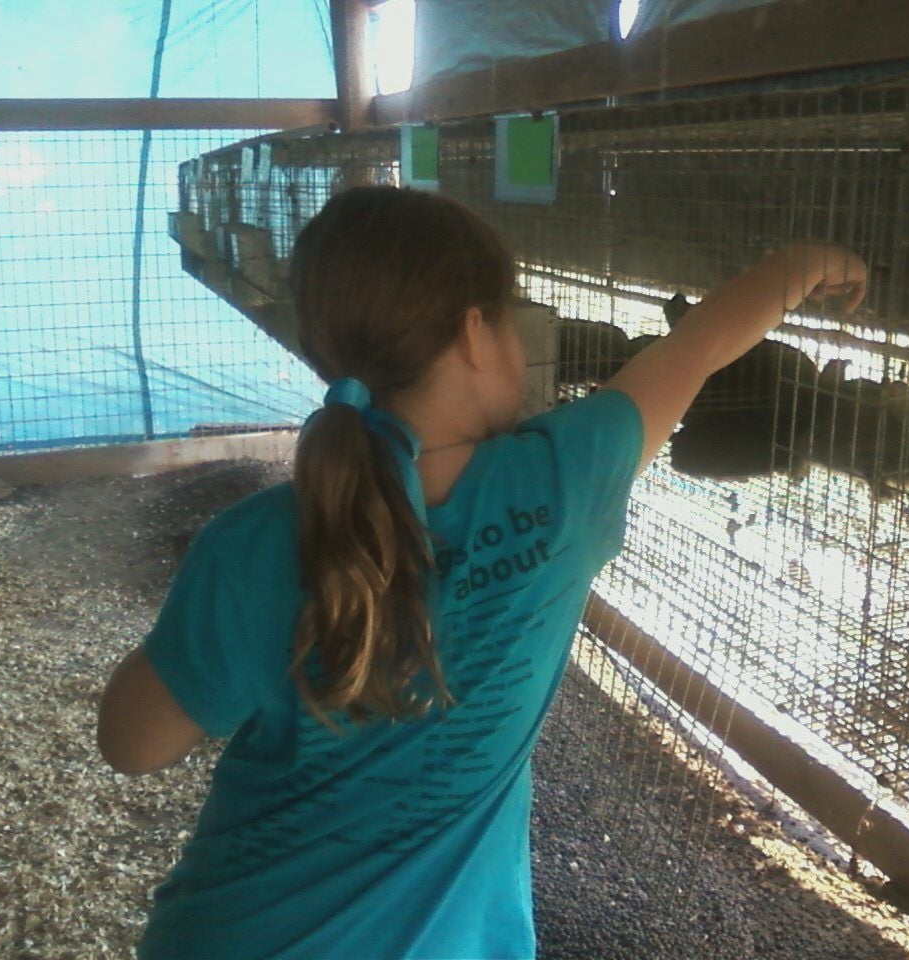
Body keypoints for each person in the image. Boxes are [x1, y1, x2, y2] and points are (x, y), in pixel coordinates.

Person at [96, 185, 866, 959]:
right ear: (474, 333)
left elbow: (133, 745)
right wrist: (804, 265)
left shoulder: (257, 541)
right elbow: (696, 346)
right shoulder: (564, 480)